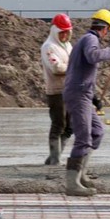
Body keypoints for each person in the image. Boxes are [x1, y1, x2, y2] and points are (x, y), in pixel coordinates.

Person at [62, 9, 110, 196]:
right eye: (108, 31)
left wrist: (94, 97)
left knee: (97, 132)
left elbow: (81, 71)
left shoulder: (87, 39)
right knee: (83, 138)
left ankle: (81, 174)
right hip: (78, 94)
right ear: (105, 29)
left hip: (83, 94)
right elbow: (93, 56)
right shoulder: (90, 39)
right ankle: (72, 184)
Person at [40, 13, 73, 165]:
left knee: (70, 126)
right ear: (55, 31)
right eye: (62, 32)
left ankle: (55, 156)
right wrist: (73, 68)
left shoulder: (68, 46)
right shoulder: (49, 47)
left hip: (69, 90)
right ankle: (54, 158)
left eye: (67, 32)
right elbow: (56, 68)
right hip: (56, 91)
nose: (64, 35)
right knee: (58, 125)